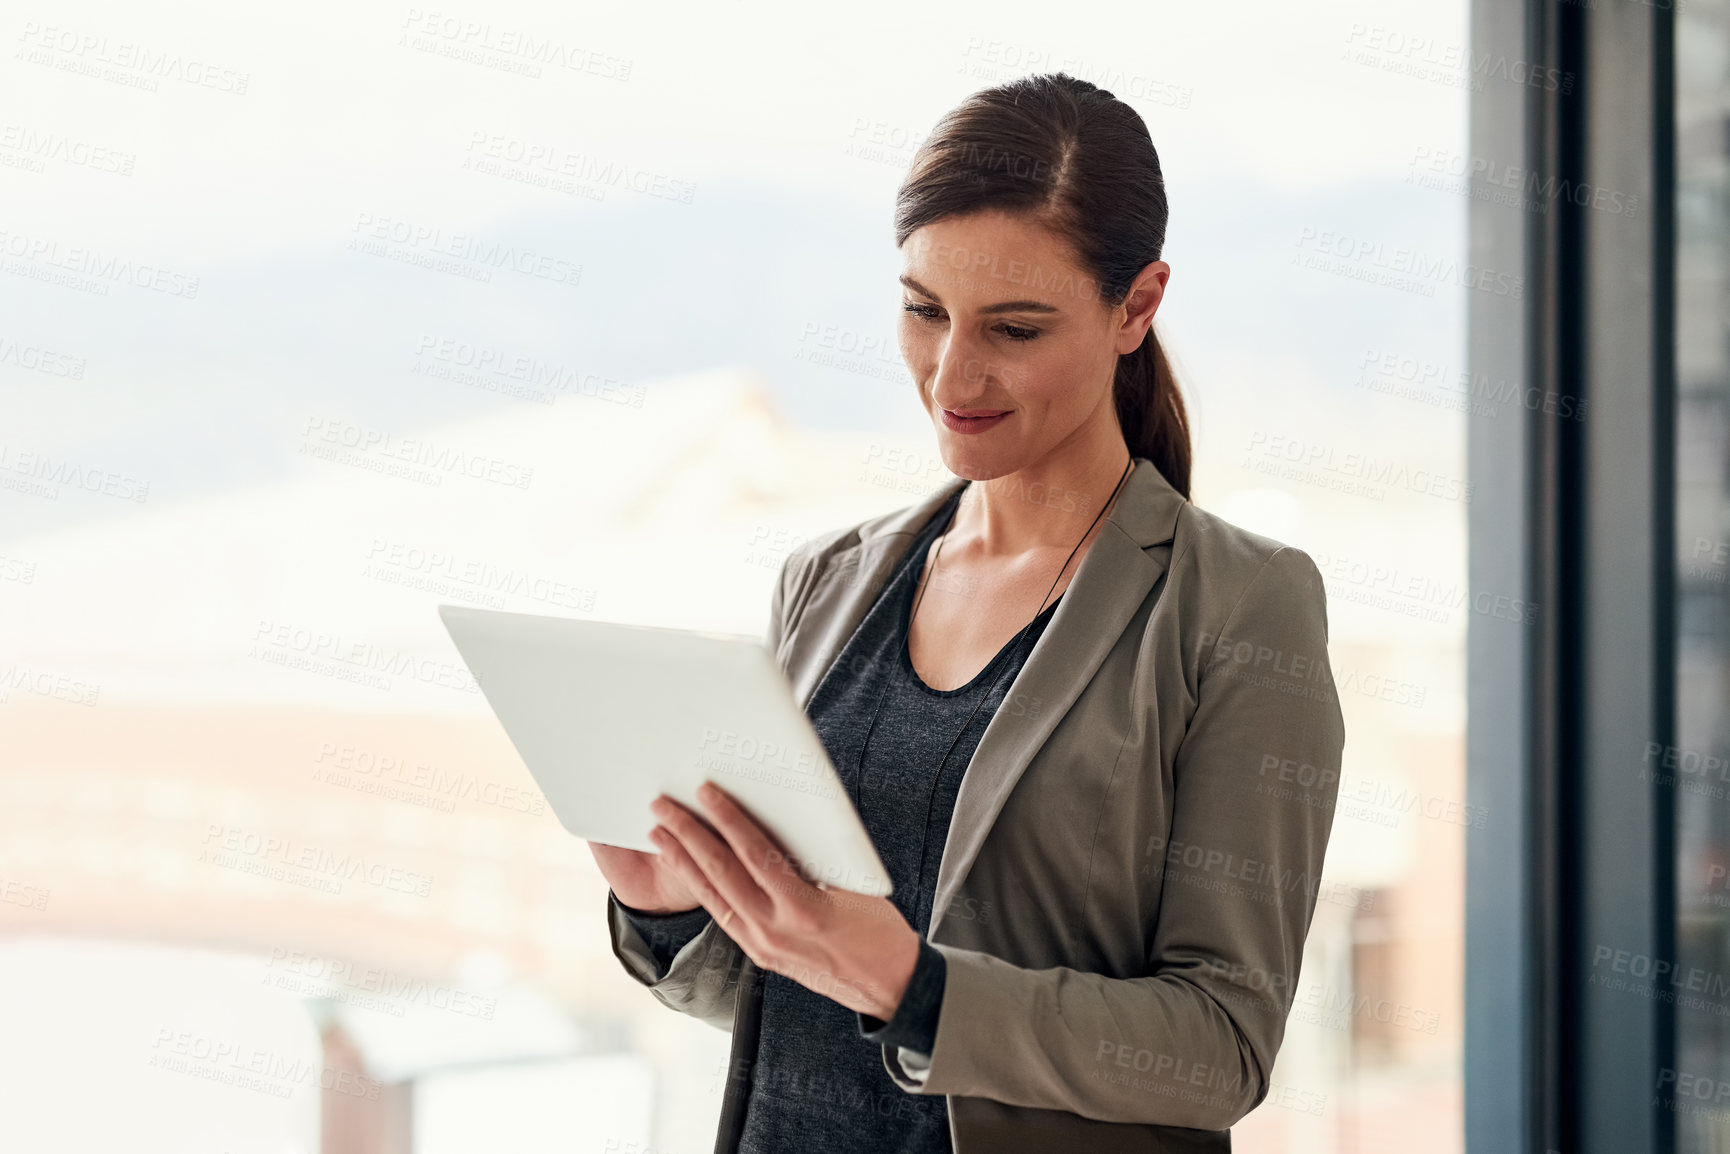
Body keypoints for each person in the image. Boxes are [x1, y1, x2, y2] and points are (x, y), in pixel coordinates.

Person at [589, 71, 1346, 1154]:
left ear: (1135, 305)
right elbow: (799, 1001)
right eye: (922, 310)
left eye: (1015, 327)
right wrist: (675, 909)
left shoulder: (1236, 608)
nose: (953, 372)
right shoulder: (824, 579)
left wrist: (917, 983)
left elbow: (1217, 1048)